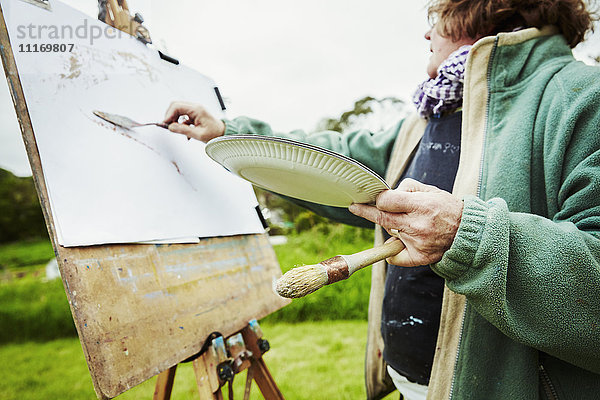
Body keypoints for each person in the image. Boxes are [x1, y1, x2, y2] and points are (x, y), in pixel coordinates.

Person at [163, 0, 600, 398]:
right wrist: (228, 132)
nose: (426, 35)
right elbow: (336, 165)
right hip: (410, 383)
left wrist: (465, 237)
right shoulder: (429, 117)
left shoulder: (585, 96)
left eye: (437, 18)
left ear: (484, 10)